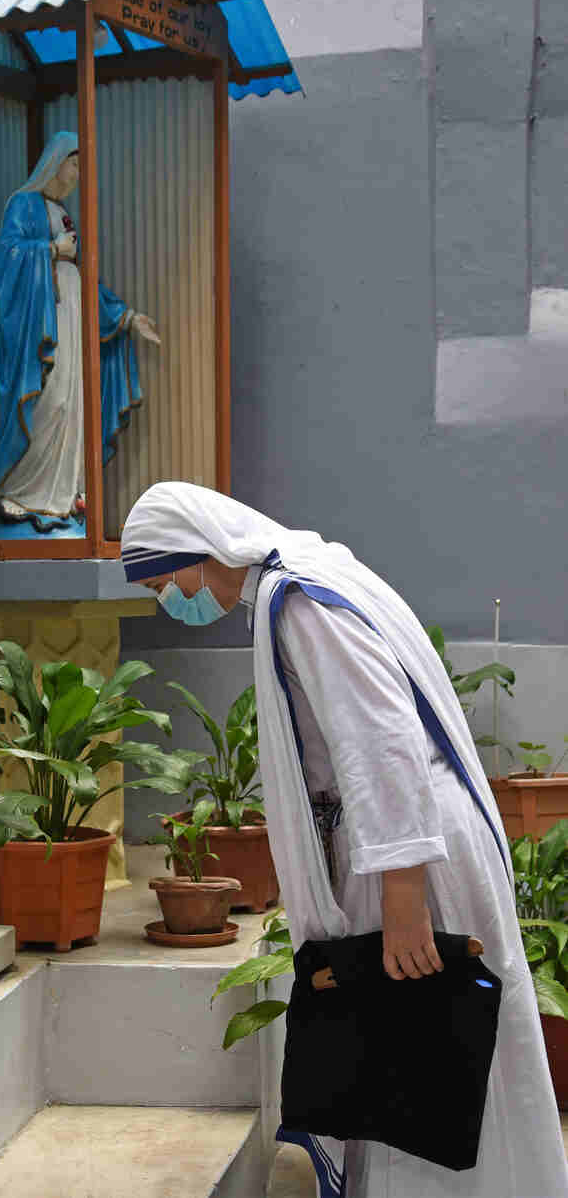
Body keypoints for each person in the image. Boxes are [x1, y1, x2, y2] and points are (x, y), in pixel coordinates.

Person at [121, 481, 568, 1198]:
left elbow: (380, 737)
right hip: (415, 838)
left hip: (413, 852)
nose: (166, 599)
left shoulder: (299, 600)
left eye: (162, 581)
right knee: (437, 1055)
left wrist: (403, 894)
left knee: (421, 1056)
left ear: (200, 552)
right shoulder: (307, 573)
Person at [0, 131, 160, 538]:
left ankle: (62, 499)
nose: (79, 172)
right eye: (75, 162)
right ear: (56, 161)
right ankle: (23, 494)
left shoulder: (63, 213)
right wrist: (50, 251)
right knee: (50, 401)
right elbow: (5, 258)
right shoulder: (24, 203)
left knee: (72, 405)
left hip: (70, 320)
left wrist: (128, 317)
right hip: (40, 328)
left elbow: (85, 279)